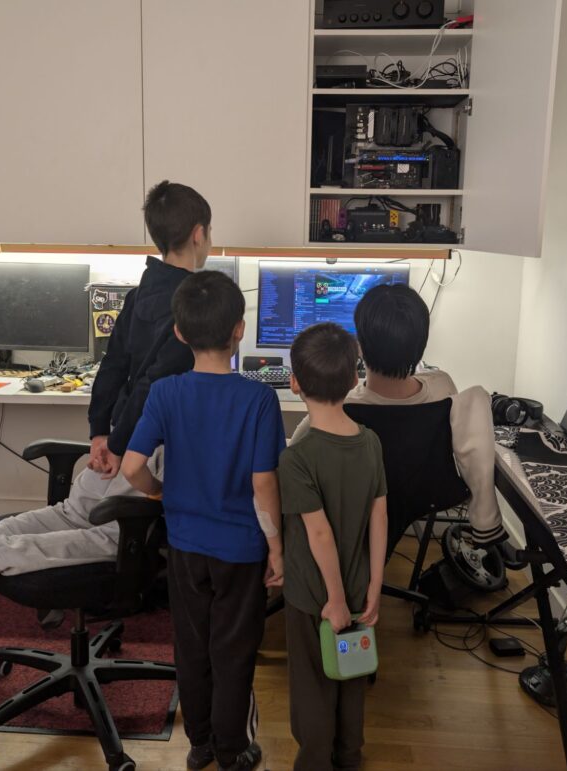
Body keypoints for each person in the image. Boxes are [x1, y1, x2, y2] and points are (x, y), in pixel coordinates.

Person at [0, 180, 212, 639]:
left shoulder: (139, 295)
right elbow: (154, 387)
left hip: (117, 437)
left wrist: (100, 433)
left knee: (72, 513)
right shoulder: (193, 304)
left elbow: (113, 367)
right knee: (110, 538)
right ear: (199, 234)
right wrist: (121, 447)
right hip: (146, 448)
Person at [121, 270, 284, 771]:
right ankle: (233, 749)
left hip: (186, 546)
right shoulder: (259, 399)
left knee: (192, 646)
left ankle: (200, 744)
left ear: (179, 332)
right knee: (234, 650)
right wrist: (277, 548)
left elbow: (131, 467)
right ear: (239, 330)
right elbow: (263, 484)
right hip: (240, 550)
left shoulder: (165, 392)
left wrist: (158, 491)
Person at [289, 283, 506, 547]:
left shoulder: (341, 407)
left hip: (360, 503)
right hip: (429, 495)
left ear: (359, 347)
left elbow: (294, 454)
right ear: (421, 346)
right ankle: (486, 519)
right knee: (477, 395)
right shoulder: (443, 386)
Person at [278, 322, 388, 771]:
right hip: (359, 586)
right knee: (352, 673)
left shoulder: (296, 458)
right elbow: (379, 516)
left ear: (294, 383)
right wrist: (375, 584)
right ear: (354, 379)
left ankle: (314, 761)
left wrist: (335, 599)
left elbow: (319, 534)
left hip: (313, 595)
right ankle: (348, 755)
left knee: (313, 683)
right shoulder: (370, 442)